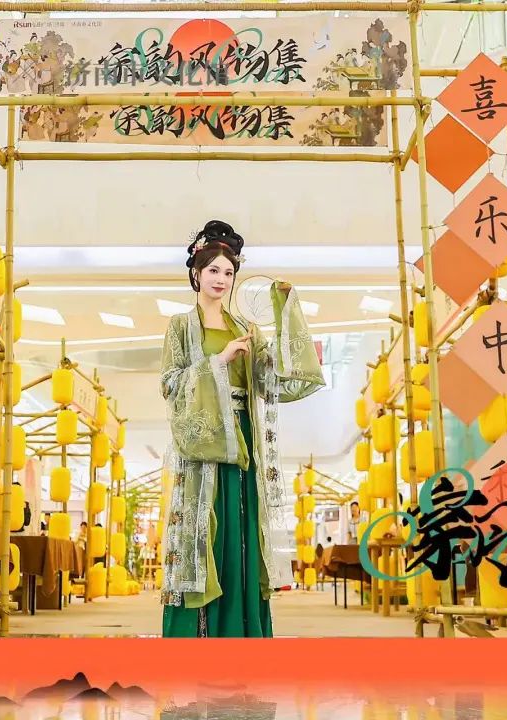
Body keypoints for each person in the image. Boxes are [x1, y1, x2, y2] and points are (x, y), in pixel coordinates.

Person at [159, 220, 325, 638]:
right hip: (204, 447)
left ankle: (242, 631)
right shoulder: (181, 326)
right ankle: (200, 635)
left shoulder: (246, 329)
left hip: (243, 442)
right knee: (208, 531)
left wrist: (286, 314)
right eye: (213, 270)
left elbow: (272, 381)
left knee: (243, 530)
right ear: (197, 273)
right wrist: (218, 362)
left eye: (229, 272)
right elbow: (170, 384)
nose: (221, 279)